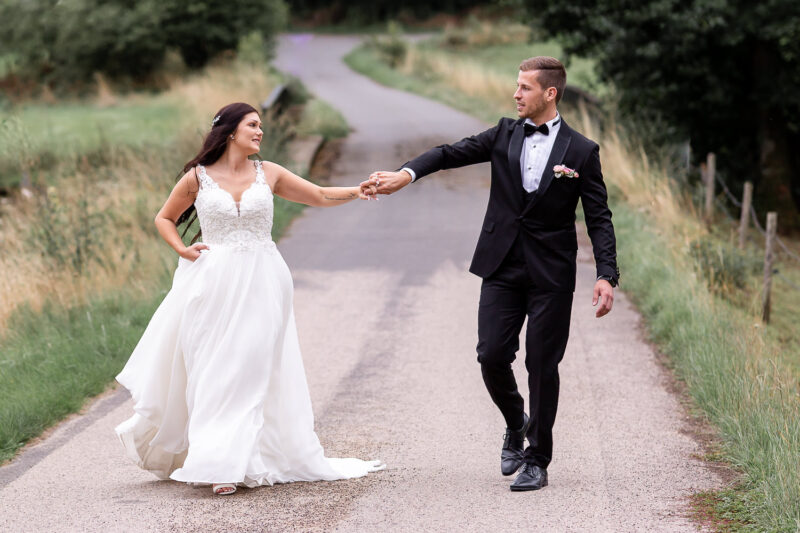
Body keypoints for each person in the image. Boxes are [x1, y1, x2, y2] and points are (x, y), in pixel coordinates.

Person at [361, 57, 619, 491]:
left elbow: (599, 217)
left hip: (552, 274)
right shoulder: (503, 133)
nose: (516, 94)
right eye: (516, 86)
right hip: (501, 265)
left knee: (542, 364)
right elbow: (448, 153)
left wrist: (606, 274)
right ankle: (516, 421)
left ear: (550, 93)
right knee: (491, 354)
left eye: (525, 87)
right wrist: (406, 174)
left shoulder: (581, 151)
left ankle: (537, 459)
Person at [115, 102, 384, 496]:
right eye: (253, 125)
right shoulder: (197, 177)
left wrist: (356, 191)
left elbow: (318, 194)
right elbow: (164, 217)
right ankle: (218, 461)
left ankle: (239, 458)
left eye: (260, 125)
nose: (260, 131)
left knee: (250, 365)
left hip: (263, 279)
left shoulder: (269, 172)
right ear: (230, 132)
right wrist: (182, 249)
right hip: (213, 283)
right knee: (215, 369)